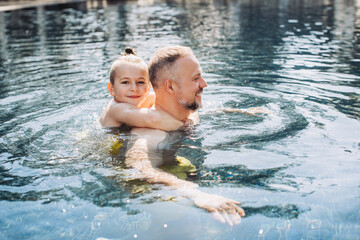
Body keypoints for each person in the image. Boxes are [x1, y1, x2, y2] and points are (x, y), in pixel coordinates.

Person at [125, 45, 245, 226]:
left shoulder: (187, 114)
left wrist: (243, 112)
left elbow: (204, 111)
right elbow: (140, 167)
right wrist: (196, 193)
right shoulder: (150, 134)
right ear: (171, 87)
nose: (204, 84)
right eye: (196, 79)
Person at [99, 47, 184, 132]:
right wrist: (184, 127)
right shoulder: (118, 109)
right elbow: (153, 119)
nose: (134, 89)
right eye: (125, 82)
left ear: (148, 88)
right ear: (112, 89)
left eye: (140, 82)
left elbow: (177, 100)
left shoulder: (139, 97)